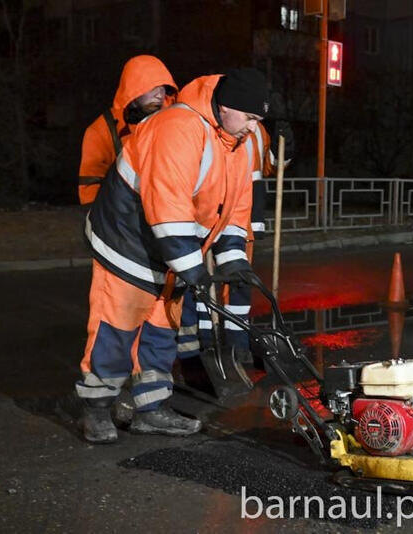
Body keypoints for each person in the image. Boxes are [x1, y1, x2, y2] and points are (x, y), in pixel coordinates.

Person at [77, 68, 268, 443]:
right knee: (116, 328)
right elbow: (168, 205)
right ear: (226, 107)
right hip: (128, 241)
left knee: (162, 330)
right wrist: (192, 268)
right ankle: (96, 409)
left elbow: (235, 208)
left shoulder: (238, 142)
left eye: (258, 120)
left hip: (170, 249)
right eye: (249, 117)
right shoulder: (177, 127)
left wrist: (233, 260)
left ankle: (151, 408)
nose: (253, 128)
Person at [175, 119, 294, 371]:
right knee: (201, 282)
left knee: (240, 281)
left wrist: (285, 148)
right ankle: (207, 342)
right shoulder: (209, 125)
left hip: (241, 218)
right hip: (205, 215)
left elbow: (271, 167)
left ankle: (238, 344)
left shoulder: (257, 130)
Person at [77, 55, 177, 205]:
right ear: (133, 89)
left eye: (163, 87)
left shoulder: (178, 118)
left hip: (172, 205)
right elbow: (90, 189)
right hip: (124, 211)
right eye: (152, 87)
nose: (159, 94)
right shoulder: (102, 131)